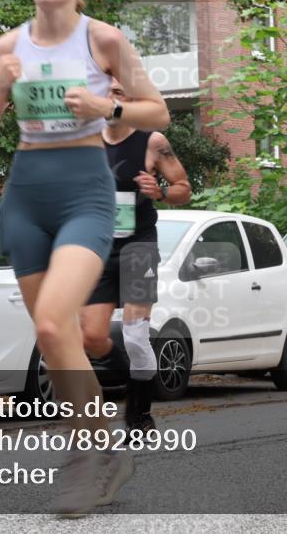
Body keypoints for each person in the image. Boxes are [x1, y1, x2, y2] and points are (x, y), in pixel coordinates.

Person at [0, 0, 170, 517]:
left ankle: (84, 460)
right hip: (25, 196)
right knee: (55, 338)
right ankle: (106, 448)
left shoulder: (102, 39)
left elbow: (158, 109)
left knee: (58, 325)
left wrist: (108, 108)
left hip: (86, 192)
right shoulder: (7, 46)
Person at [81, 79, 191, 439]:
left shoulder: (152, 142)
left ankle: (140, 416)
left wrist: (159, 191)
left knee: (133, 335)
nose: (110, 96)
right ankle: (135, 383)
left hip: (138, 246)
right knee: (93, 337)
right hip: (99, 247)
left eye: (118, 91)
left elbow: (183, 189)